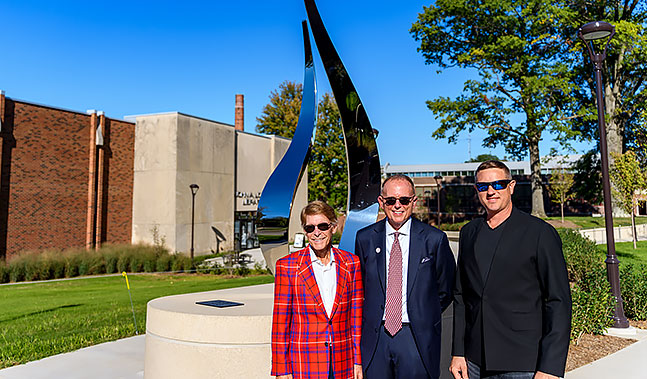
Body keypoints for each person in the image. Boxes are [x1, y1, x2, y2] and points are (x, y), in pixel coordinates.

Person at [450, 160, 571, 379]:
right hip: (475, 361)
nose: (490, 191)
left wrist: (550, 367)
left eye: (498, 184)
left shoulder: (540, 233)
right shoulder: (468, 233)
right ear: (476, 190)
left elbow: (558, 301)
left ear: (511, 186)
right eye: (483, 186)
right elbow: (461, 297)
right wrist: (458, 352)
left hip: (522, 361)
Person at [355, 174, 456, 379]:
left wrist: (423, 312)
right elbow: (361, 286)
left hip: (416, 337)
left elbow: (446, 289)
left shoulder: (434, 239)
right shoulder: (364, 238)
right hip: (376, 338)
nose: (397, 205)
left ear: (414, 202)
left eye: (404, 200)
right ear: (381, 202)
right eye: (391, 200)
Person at [271, 200, 364, 379]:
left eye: (322, 226)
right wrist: (281, 370)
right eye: (310, 228)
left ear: (333, 227)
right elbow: (280, 323)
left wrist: (357, 361)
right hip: (303, 362)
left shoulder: (351, 263)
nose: (316, 233)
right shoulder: (287, 267)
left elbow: (356, 318)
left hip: (342, 360)